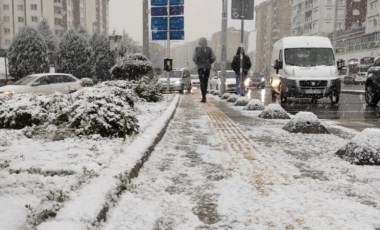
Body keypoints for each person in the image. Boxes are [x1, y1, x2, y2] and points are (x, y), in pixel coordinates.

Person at [193, 37, 216, 103]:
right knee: (205, 82)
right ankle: (204, 94)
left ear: (199, 42)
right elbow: (214, 57)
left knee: (202, 82)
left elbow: (194, 58)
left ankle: (203, 96)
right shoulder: (209, 49)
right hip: (207, 68)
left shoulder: (197, 49)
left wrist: (197, 63)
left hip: (200, 68)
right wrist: (209, 62)